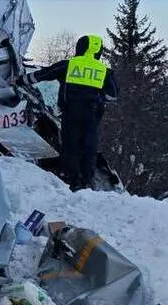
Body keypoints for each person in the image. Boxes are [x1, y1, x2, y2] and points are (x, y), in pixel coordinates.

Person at [20, 34, 118, 189]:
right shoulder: (104, 71)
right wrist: (98, 97)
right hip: (92, 114)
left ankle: (73, 180)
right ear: (98, 51)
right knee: (89, 147)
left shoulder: (68, 65)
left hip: (70, 112)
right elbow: (112, 95)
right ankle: (87, 181)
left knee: (70, 146)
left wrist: (21, 80)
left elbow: (43, 75)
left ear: (80, 47)